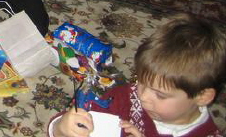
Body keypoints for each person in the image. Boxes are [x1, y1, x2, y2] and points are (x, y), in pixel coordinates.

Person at [49, 13, 226, 137]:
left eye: (160, 94)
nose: (143, 96)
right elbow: (85, 116)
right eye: (141, 81)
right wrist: (60, 129)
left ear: (202, 96)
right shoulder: (129, 96)